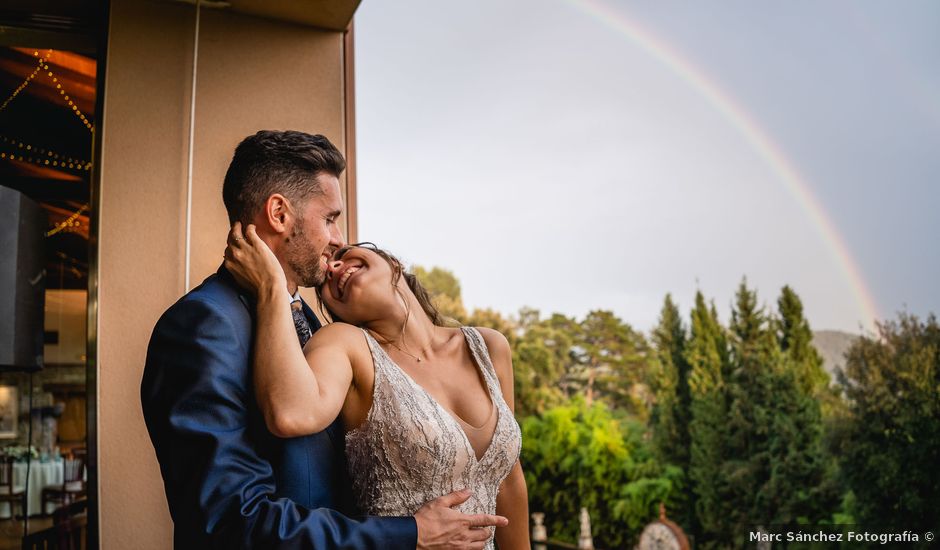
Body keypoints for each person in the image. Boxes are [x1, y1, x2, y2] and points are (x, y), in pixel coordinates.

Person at [141, 130, 508, 549]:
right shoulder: (203, 326)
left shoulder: (312, 325)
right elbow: (231, 521)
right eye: (330, 218)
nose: (338, 239)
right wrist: (410, 534)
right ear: (279, 214)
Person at [222, 224, 530, 550]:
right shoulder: (346, 345)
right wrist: (272, 286)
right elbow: (289, 412)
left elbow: (509, 483)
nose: (334, 267)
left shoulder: (489, 346)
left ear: (393, 263)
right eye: (327, 276)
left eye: (343, 256)